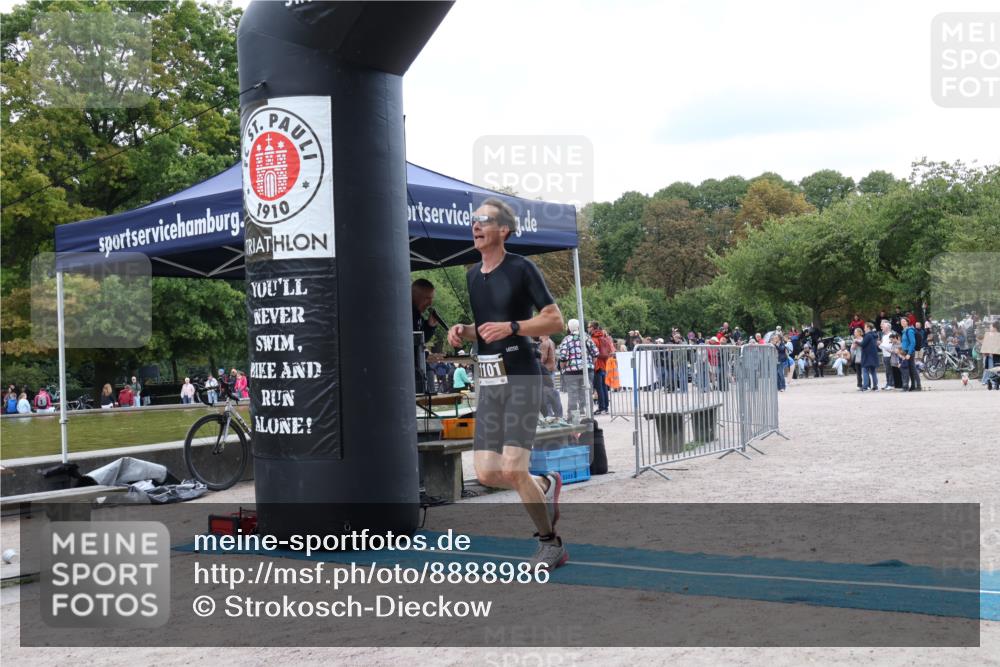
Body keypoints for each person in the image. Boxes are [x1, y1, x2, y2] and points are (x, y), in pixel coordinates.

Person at [446, 196, 567, 570]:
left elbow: (555, 320)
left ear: (504, 230)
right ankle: (544, 483)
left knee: (514, 468)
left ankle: (551, 544)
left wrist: (514, 327)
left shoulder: (522, 268)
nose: (476, 226)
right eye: (474, 221)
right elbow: (487, 331)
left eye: (484, 221)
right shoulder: (471, 275)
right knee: (486, 473)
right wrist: (464, 331)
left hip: (522, 377)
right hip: (490, 379)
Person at [557, 318, 598, 422]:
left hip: (571, 372)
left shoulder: (566, 339)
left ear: (569, 328)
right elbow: (595, 354)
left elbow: (563, 358)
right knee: (587, 393)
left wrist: (563, 367)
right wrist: (589, 364)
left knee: (573, 395)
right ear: (579, 327)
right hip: (587, 371)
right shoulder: (587, 337)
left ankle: (574, 418)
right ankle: (589, 416)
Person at [589, 321, 614, 415]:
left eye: (589, 327)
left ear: (593, 328)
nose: (588, 328)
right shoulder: (604, 337)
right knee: (603, 387)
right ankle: (606, 407)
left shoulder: (594, 339)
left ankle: (601, 408)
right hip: (604, 364)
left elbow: (594, 353)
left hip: (597, 365)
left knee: (599, 388)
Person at [537, 334, 562, 419]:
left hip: (546, 370)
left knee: (547, 395)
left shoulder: (544, 343)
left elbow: (542, 358)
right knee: (552, 393)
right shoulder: (551, 341)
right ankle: (557, 415)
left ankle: (549, 416)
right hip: (551, 369)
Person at [901, 319, 921, 392]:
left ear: (907, 322)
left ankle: (917, 386)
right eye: (901, 321)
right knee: (910, 370)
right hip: (905, 352)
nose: (902, 323)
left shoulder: (910, 331)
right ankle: (913, 386)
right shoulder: (904, 331)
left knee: (912, 369)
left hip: (909, 352)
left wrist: (909, 353)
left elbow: (913, 342)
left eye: (904, 321)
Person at [861, 323, 881, 392]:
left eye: (865, 327)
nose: (864, 328)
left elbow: (863, 344)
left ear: (868, 327)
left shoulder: (868, 335)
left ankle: (865, 387)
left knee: (865, 370)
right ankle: (875, 386)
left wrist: (856, 342)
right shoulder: (874, 335)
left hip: (867, 356)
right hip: (873, 355)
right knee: (873, 371)